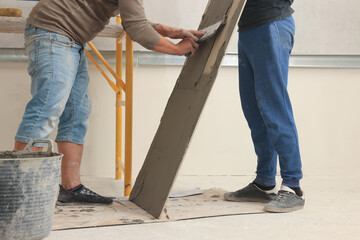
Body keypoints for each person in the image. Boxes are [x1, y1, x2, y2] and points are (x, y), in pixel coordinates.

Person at [14, 0, 204, 204]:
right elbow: (137, 28)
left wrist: (169, 31)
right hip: (53, 33)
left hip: (68, 39)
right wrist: (177, 50)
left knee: (77, 111)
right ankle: (16, 188)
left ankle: (71, 187)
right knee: (47, 108)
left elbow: (134, 19)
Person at [224, 0, 305, 213]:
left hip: (272, 23)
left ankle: (292, 185)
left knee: (274, 109)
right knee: (254, 111)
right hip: (249, 28)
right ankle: (264, 181)